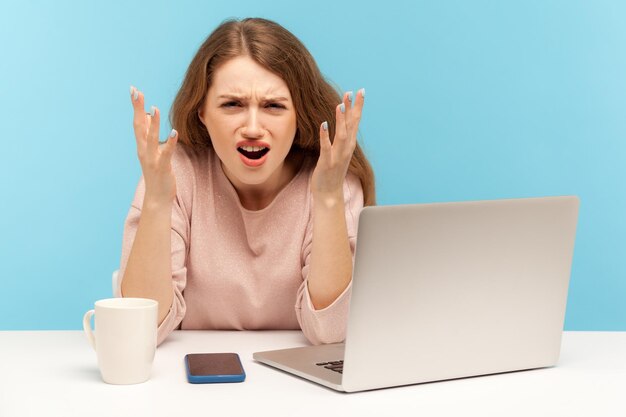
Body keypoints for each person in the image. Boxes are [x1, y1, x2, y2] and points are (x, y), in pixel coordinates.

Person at [116, 17, 376, 346]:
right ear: (202, 113)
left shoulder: (332, 180)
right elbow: (139, 329)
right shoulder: (174, 174)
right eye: (232, 104)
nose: (253, 127)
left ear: (299, 115)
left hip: (298, 390)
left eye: (273, 106)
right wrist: (156, 200)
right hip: (189, 385)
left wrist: (327, 198)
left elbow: (332, 332)